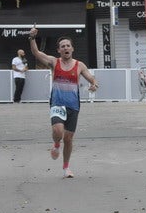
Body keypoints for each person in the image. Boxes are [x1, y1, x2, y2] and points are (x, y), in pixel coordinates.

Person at [29, 27, 99, 178]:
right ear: (59, 50)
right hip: (57, 103)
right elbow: (36, 53)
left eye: (68, 46)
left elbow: (91, 78)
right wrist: (32, 38)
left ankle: (66, 167)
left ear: (72, 49)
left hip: (73, 105)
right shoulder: (54, 62)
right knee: (58, 131)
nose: (66, 48)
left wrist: (94, 84)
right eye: (63, 46)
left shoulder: (79, 65)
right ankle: (55, 145)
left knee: (68, 138)